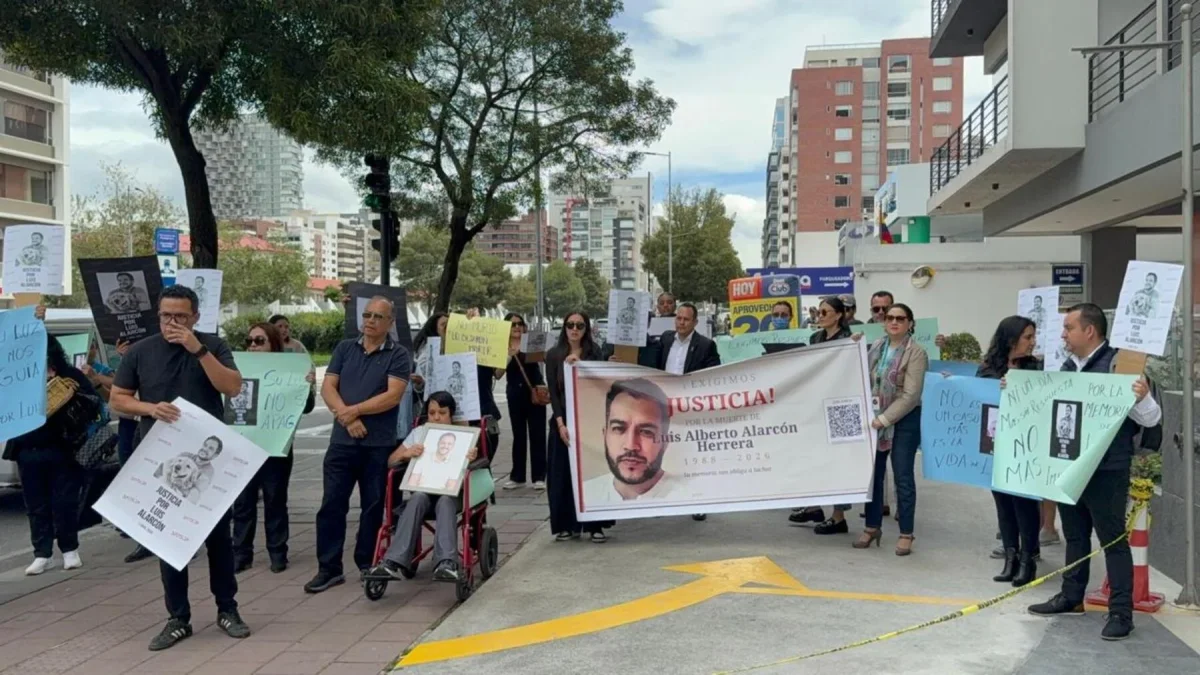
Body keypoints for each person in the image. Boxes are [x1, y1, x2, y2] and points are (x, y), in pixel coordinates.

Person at [108, 284, 249, 650]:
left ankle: (227, 608)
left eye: (181, 317)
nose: (172, 322)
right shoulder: (141, 351)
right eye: (166, 316)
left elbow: (233, 388)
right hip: (161, 459)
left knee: (219, 538)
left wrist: (196, 348)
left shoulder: (211, 345)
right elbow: (118, 399)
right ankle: (178, 618)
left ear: (196, 317)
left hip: (208, 461)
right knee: (168, 541)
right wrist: (150, 408)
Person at [1028, 303, 1161, 641]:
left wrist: (1142, 397)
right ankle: (1072, 597)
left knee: (1113, 541)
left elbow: (1151, 420)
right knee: (1074, 535)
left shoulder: (1120, 366)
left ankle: (1121, 612)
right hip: (1071, 465)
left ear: (1089, 331)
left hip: (1108, 469)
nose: (1063, 334)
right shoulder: (1066, 366)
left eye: (1069, 327)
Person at [307, 296, 410, 594]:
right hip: (342, 442)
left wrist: (356, 410)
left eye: (378, 316)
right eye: (367, 315)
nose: (370, 321)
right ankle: (329, 568)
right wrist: (348, 417)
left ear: (390, 322)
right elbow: (328, 387)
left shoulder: (398, 354)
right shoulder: (344, 348)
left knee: (372, 506)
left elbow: (393, 396)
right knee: (331, 505)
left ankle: (367, 562)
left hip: (378, 445)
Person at [367, 392, 488, 582]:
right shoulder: (419, 433)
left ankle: (446, 562)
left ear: (451, 415)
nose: (436, 417)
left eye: (442, 412)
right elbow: (391, 461)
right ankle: (392, 561)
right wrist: (406, 453)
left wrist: (472, 456)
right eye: (432, 413)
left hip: (453, 495)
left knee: (445, 502)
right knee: (417, 498)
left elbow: (481, 463)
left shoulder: (463, 435)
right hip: (424, 492)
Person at [4, 337, 98, 576]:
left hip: (63, 449)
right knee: (36, 504)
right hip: (28, 450)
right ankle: (42, 553)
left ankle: (70, 549)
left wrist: (68, 397)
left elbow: (92, 404)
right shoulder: (16, 377)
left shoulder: (70, 375)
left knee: (64, 501)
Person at [231, 322, 314, 574]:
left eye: (259, 341)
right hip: (245, 445)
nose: (253, 346)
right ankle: (241, 553)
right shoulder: (238, 369)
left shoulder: (290, 369)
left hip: (276, 446)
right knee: (243, 502)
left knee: (275, 499)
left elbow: (307, 406)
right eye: (250, 341)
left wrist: (306, 385)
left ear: (272, 344)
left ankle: (278, 552)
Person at [854, 302, 927, 556]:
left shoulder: (916, 353)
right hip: (876, 418)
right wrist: (852, 346)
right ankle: (872, 526)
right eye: (889, 317)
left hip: (903, 420)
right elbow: (859, 369)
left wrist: (884, 419)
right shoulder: (877, 346)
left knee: (902, 476)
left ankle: (906, 533)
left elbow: (911, 394)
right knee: (873, 474)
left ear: (909, 323)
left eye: (900, 318)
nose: (894, 321)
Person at [977, 316, 1042, 587]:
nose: (1031, 342)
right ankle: (1010, 556)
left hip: (1026, 446)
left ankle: (1029, 558)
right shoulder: (988, 368)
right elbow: (978, 397)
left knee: (1024, 504)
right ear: (1011, 338)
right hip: (997, 446)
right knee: (1003, 504)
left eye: (1032, 337)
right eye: (1027, 337)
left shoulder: (1036, 368)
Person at [545, 312, 614, 542]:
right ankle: (566, 524)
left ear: (586, 329)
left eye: (580, 325)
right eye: (570, 325)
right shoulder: (554, 355)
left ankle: (595, 525)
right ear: (564, 328)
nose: (574, 329)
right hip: (563, 422)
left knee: (593, 473)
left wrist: (581, 365)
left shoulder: (595, 353)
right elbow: (554, 393)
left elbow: (600, 383)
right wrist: (560, 422)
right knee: (561, 473)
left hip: (590, 421)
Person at [791, 296, 857, 532]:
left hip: (840, 405)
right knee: (813, 456)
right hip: (817, 404)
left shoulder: (849, 340)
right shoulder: (815, 338)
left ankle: (839, 517)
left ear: (839, 315)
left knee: (838, 460)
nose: (820, 316)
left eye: (825, 312)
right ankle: (813, 506)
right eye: (818, 312)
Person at [657, 302, 720, 521]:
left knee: (693, 456)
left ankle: (698, 501)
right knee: (668, 454)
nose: (681, 323)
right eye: (678, 319)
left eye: (685, 319)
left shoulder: (706, 345)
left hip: (691, 409)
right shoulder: (665, 340)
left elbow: (714, 375)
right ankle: (668, 500)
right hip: (665, 407)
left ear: (695, 322)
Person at [583, 378, 676, 503]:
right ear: (605, 436)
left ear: (665, 442)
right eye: (619, 429)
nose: (630, 445)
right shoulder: (586, 495)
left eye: (646, 432)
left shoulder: (690, 498)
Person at [501, 313, 548, 491]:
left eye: (520, 324)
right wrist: (508, 355)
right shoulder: (502, 346)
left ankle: (539, 476)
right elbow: (497, 373)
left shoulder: (531, 342)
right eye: (513, 325)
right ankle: (517, 476)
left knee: (537, 434)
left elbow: (543, 360)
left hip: (535, 391)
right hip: (514, 393)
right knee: (518, 435)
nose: (517, 328)